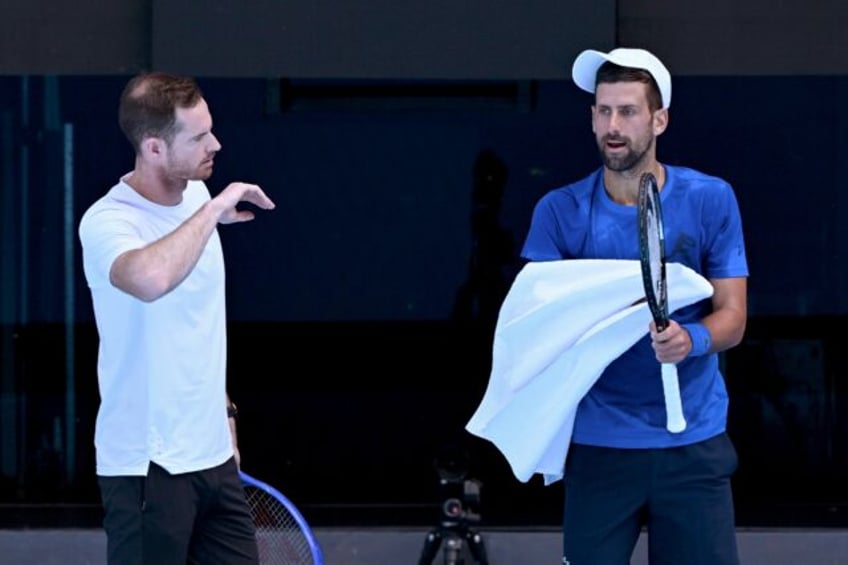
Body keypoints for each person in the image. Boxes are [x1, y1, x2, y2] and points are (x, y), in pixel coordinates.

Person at [520, 48, 748, 564]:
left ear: (659, 118)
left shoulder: (712, 199)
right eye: (603, 111)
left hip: (694, 447)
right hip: (599, 450)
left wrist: (692, 340)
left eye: (627, 111)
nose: (613, 125)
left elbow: (733, 316)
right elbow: (537, 327)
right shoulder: (559, 212)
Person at [78, 72, 276, 564]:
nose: (216, 143)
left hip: (214, 460)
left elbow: (193, 326)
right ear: (154, 149)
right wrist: (216, 211)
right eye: (198, 136)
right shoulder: (108, 222)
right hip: (146, 468)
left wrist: (225, 413)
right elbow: (150, 280)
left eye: (210, 128)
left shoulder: (194, 196)